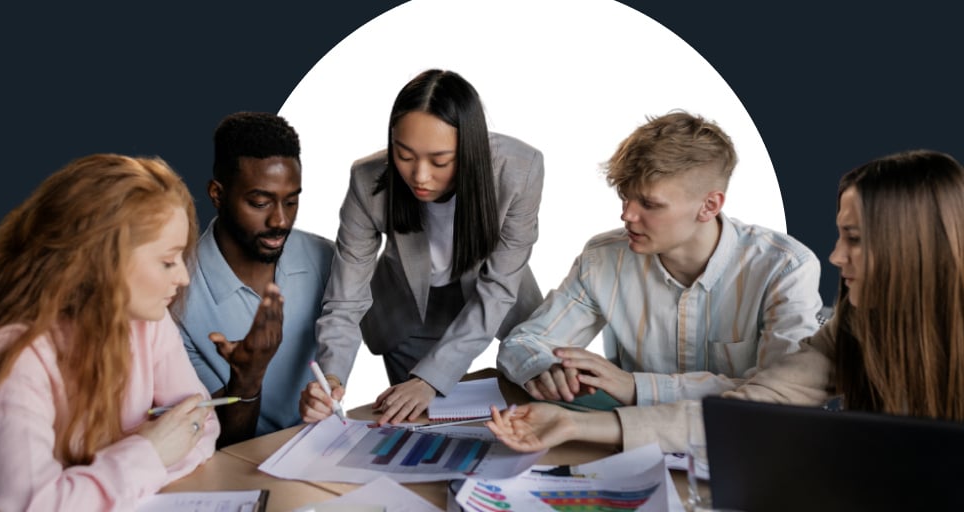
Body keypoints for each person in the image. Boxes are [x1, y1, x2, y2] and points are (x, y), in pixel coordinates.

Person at [486, 149, 964, 453]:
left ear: (914, 243)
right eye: (841, 235)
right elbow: (753, 410)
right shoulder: (852, 326)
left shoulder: (783, 265)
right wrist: (572, 426)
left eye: (855, 239)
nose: (837, 256)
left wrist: (634, 387)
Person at [0, 154, 219, 509]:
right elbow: (30, 506)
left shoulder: (148, 321)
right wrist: (149, 454)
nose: (183, 277)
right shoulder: (15, 353)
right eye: (167, 261)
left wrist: (90, 488)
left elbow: (202, 424)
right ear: (100, 261)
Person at [496, 111, 823, 408]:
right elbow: (524, 341)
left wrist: (636, 386)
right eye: (625, 197)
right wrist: (545, 367)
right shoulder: (602, 259)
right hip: (628, 445)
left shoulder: (784, 268)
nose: (627, 215)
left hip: (746, 447)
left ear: (709, 205)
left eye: (649, 205)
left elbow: (782, 395)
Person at [300, 69, 545, 425]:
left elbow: (498, 289)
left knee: (528, 411)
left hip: (496, 297)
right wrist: (331, 378)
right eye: (404, 155)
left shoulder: (519, 171)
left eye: (440, 161)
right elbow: (345, 297)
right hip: (409, 309)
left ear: (470, 150)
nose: (420, 176)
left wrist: (433, 377)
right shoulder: (368, 179)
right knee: (418, 422)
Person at [174, 112, 334, 446]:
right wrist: (248, 377)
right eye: (260, 203)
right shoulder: (175, 294)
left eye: (291, 201)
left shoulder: (328, 259)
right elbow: (222, 443)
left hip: (322, 449)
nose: (280, 220)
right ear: (217, 194)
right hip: (240, 468)